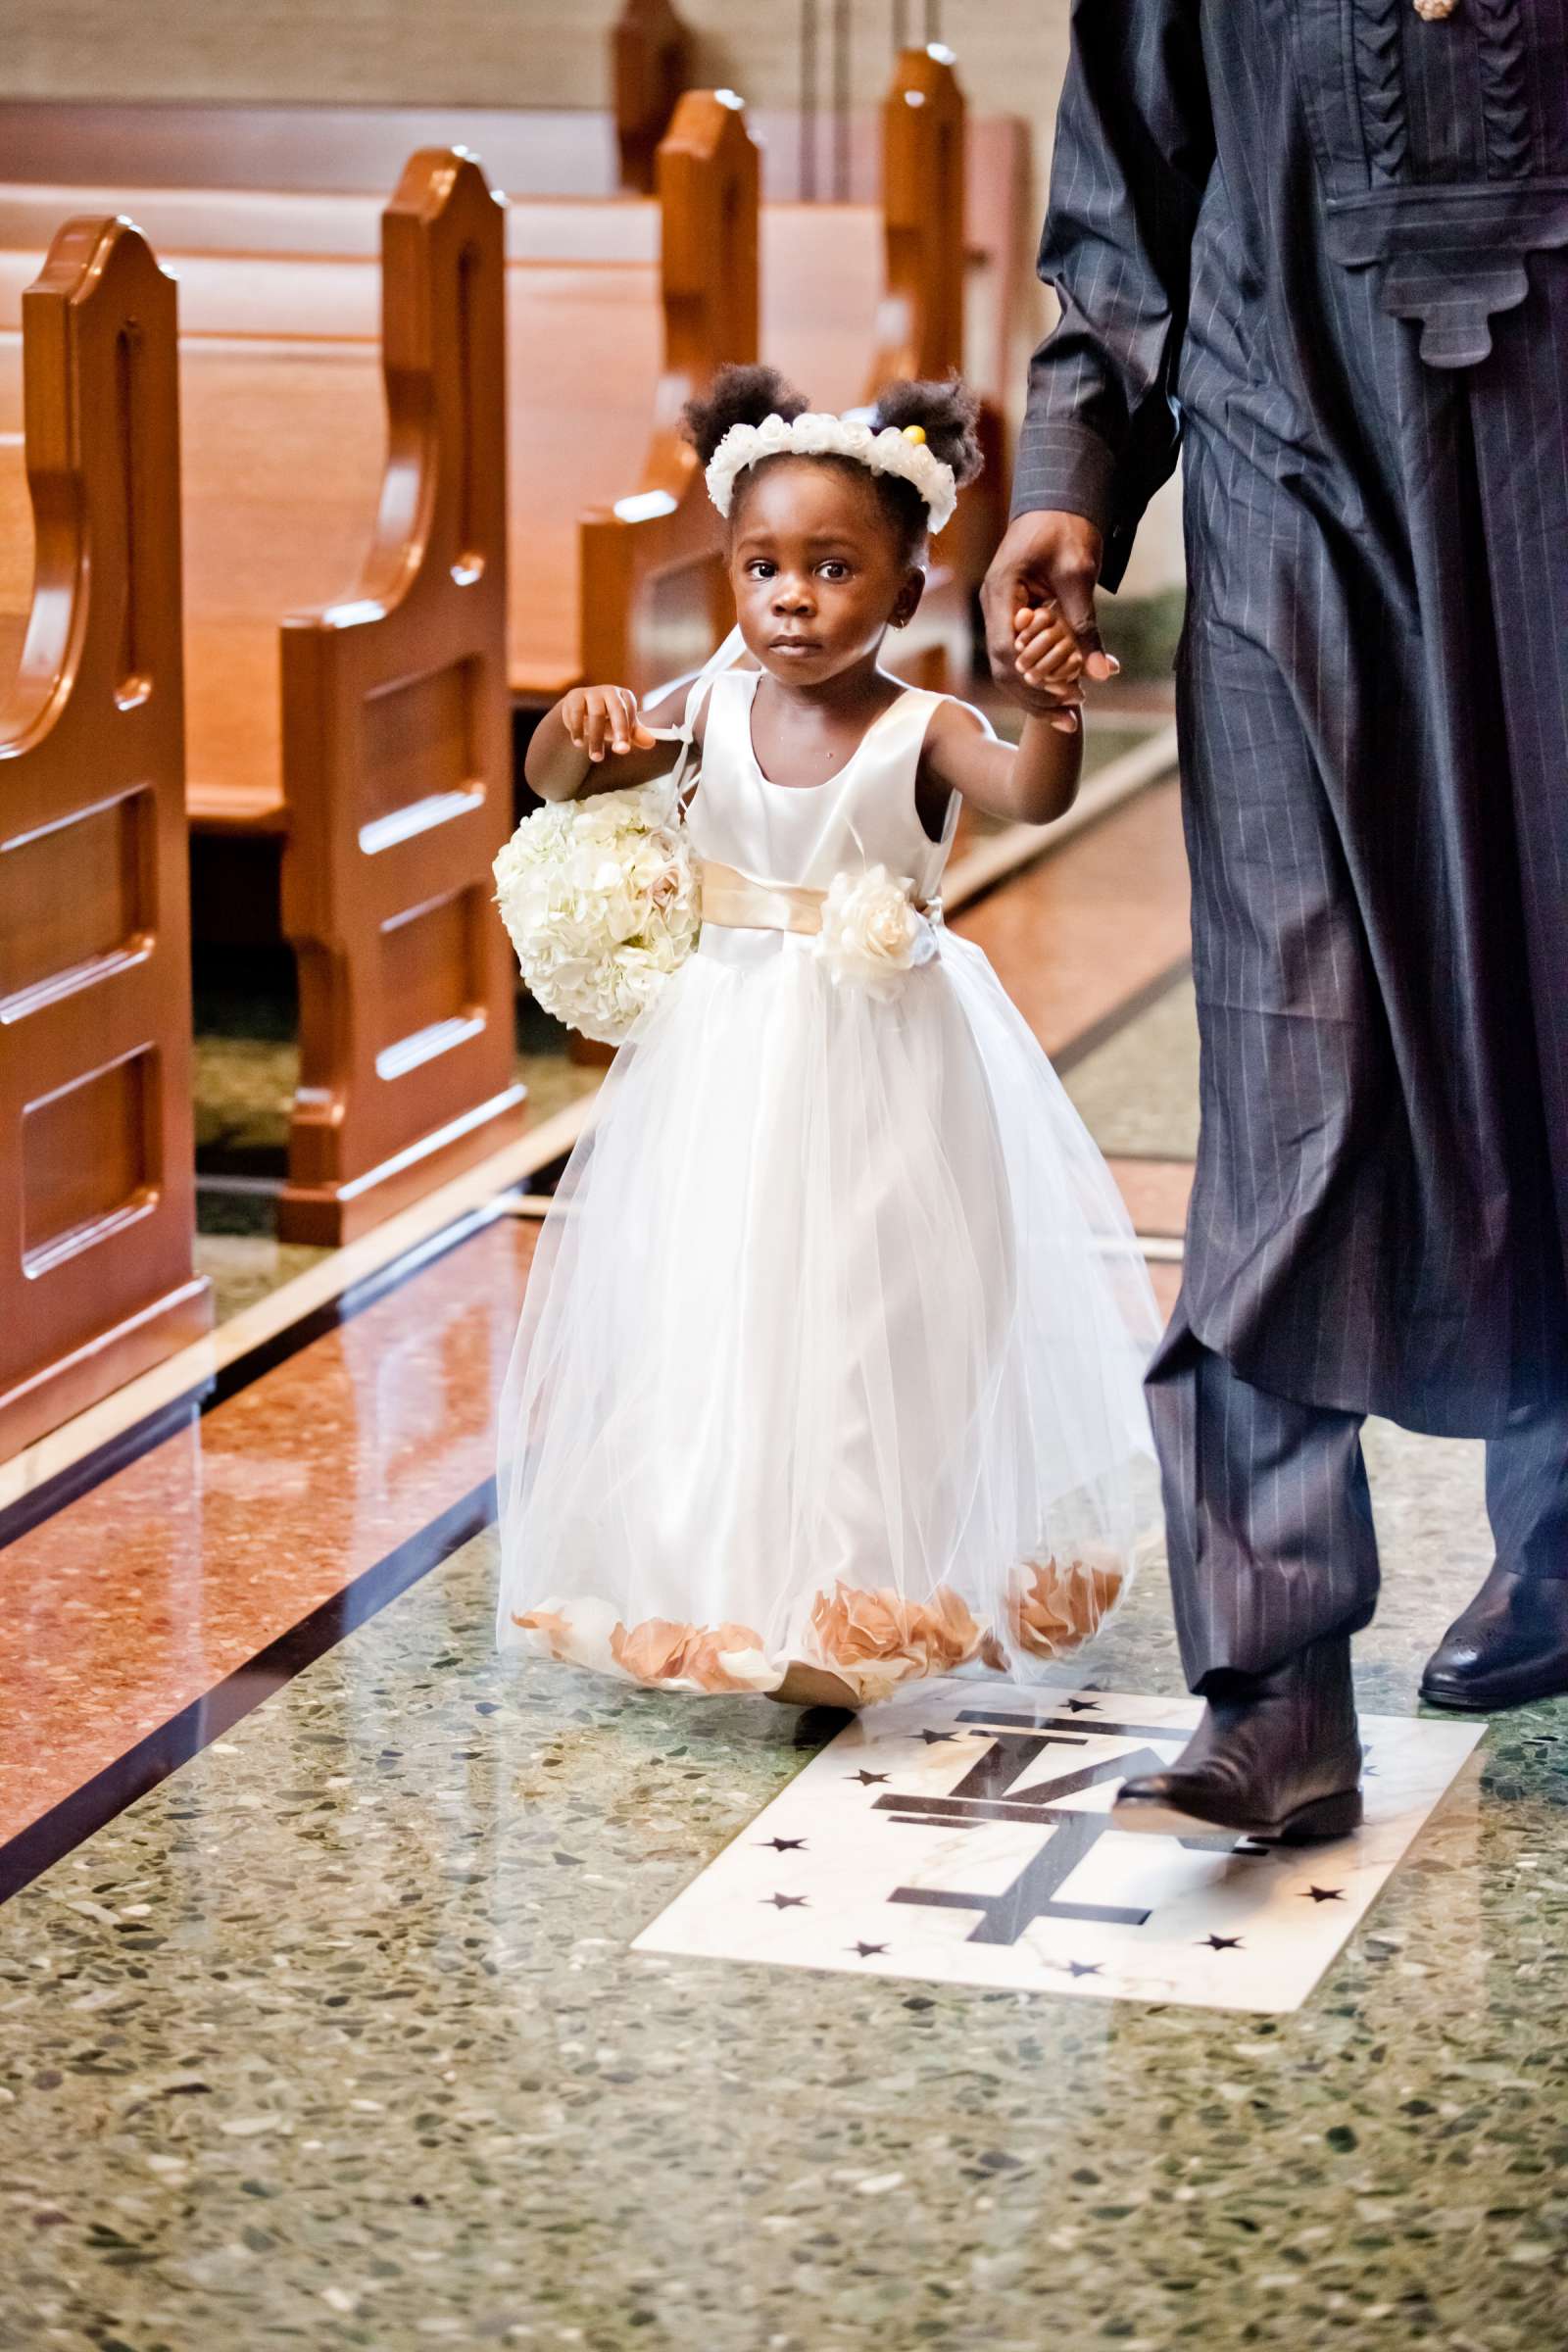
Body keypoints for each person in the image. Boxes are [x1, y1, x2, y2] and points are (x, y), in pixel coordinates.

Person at [983, 0, 1568, 1839]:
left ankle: (1560, 1545)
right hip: (1283, 474)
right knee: (1292, 1046)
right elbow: (1126, 196)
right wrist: (1073, 476)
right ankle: (1273, 1676)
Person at [497, 365, 1159, 1708]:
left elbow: (1031, 794)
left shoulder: (925, 729)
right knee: (722, 1298)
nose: (792, 597)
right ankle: (722, 1579)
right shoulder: (704, 712)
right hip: (727, 1060)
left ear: (907, 594)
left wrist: (1056, 705)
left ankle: (855, 1587)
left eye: (835, 569)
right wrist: (569, 733)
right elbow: (562, 782)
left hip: (882, 1067)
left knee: (870, 1315)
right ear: (730, 578)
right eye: (763, 568)